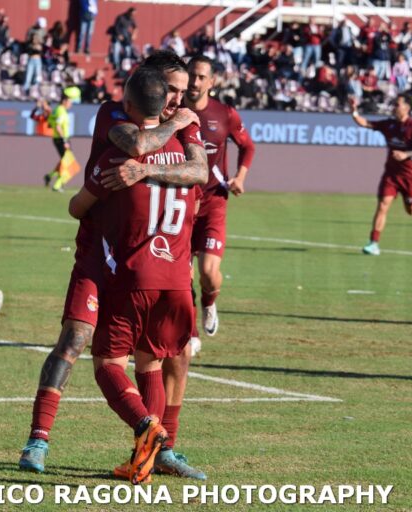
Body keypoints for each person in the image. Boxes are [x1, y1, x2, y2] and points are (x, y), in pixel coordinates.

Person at [18, 50, 207, 479]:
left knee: (153, 358)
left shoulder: (182, 129)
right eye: (172, 91)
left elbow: (200, 171)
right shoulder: (112, 115)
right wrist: (173, 129)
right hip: (100, 259)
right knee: (75, 340)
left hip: (141, 264)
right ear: (153, 90)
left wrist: (150, 165)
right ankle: (38, 440)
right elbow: (141, 144)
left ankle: (155, 449)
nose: (181, 99)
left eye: (184, 91)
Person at [69, 67, 199, 485]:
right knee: (151, 362)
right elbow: (198, 174)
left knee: (107, 362)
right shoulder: (183, 147)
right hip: (178, 278)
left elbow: (78, 206)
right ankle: (146, 459)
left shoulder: (118, 154)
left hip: (135, 274)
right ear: (166, 103)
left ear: (127, 104)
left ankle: (149, 428)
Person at [184, 55, 255, 340]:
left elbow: (248, 146)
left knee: (209, 272)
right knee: (181, 277)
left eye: (201, 76)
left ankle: (209, 303)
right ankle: (190, 334)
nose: (195, 81)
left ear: (212, 82)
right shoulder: (172, 111)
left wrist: (240, 177)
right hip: (182, 202)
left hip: (214, 201)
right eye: (191, 75)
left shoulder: (224, 113)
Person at [349, 95, 412, 256]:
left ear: (407, 108)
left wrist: (406, 154)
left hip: (410, 175)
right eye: (394, 104)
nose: (394, 107)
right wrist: (354, 111)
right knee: (382, 205)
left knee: (411, 210)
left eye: (398, 104)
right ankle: (373, 243)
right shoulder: (389, 124)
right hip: (391, 174)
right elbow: (365, 123)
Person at [44, 86, 81, 192]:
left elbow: (51, 123)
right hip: (62, 139)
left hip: (58, 139)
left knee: (64, 161)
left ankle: (50, 176)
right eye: (70, 101)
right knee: (69, 163)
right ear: (65, 101)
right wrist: (65, 140)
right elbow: (58, 126)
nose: (71, 104)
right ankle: (57, 185)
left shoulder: (57, 110)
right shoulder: (61, 111)